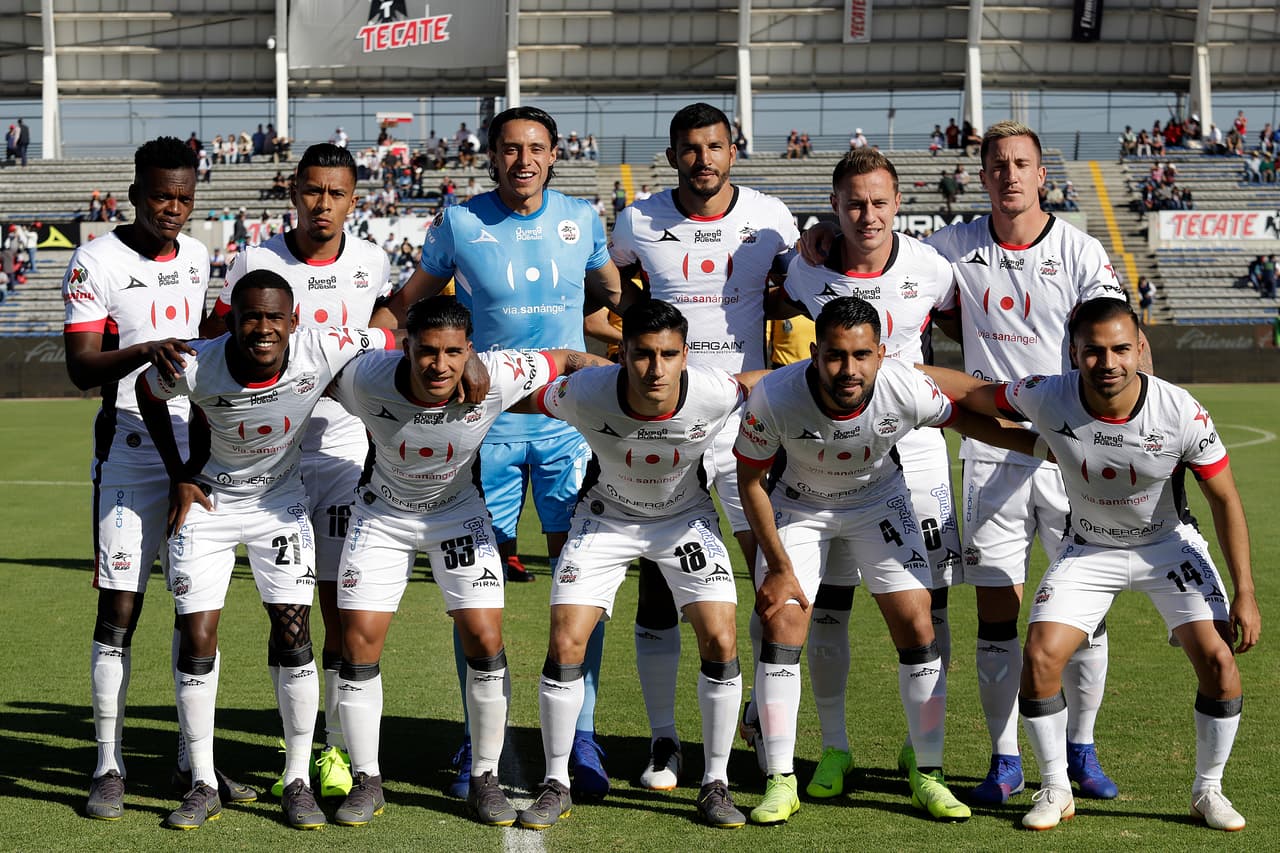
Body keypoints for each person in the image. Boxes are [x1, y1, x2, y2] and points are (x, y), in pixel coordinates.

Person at [927, 297, 1259, 832]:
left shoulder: (1180, 411)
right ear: (1073, 352)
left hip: (1167, 545)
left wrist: (1243, 590)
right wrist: (895, 367)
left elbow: (1225, 499)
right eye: (1094, 351)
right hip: (1089, 548)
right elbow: (971, 395)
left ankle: (1207, 791)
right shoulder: (1048, 394)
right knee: (1040, 656)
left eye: (1121, 349)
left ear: (1140, 349)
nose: (1109, 363)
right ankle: (1056, 789)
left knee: (1220, 663)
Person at [380, 105, 628, 801]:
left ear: (554, 155)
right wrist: (367, 340)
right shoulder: (459, 222)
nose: (525, 160)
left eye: (537, 148)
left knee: (581, 582)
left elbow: (609, 302)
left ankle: (580, 735)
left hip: (564, 426)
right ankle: (477, 736)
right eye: (512, 148)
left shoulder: (582, 218)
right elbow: (411, 304)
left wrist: (641, 344)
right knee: (473, 591)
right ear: (491, 156)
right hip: (482, 427)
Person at [734, 296, 1041, 826]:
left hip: (878, 501)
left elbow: (969, 419)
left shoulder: (905, 386)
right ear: (813, 353)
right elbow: (749, 481)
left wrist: (1045, 448)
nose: (847, 369)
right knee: (785, 622)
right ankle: (781, 779)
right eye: (833, 355)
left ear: (880, 354)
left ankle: (928, 773)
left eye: (860, 355)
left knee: (918, 621)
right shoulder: (777, 396)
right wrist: (779, 565)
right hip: (800, 507)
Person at [327, 295, 606, 827]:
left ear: (471, 350)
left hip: (457, 514)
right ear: (406, 347)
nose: (439, 365)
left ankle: (485, 776)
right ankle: (366, 779)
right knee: (359, 638)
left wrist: (624, 388)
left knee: (484, 636)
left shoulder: (497, 373)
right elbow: (309, 369)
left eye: (454, 353)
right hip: (382, 515)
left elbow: (572, 361)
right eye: (426, 351)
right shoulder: (366, 378)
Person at [135, 270, 396, 830]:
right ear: (230, 322)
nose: (262, 328)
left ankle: (297, 778)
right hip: (210, 507)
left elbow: (388, 340)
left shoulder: (323, 344)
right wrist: (180, 472)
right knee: (198, 633)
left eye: (274, 317)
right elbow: (146, 390)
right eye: (250, 316)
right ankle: (203, 781)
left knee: (293, 630)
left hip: (280, 504)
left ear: (294, 321)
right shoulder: (197, 362)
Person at [63, 137, 257, 821]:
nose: (173, 209)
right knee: (119, 610)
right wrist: (143, 350)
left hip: (195, 456)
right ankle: (107, 762)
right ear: (135, 192)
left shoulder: (200, 255)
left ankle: (191, 759)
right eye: (160, 197)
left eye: (184, 197)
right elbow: (82, 366)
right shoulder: (96, 260)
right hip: (128, 449)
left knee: (194, 607)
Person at [609, 102, 798, 788]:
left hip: (747, 426)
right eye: (690, 148)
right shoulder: (636, 222)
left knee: (768, 575)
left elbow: (795, 297)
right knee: (661, 587)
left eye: (715, 146)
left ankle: (756, 711)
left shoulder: (773, 219)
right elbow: (617, 297)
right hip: (666, 425)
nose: (703, 159)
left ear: (733, 151)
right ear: (672, 155)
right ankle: (665, 741)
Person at [517, 299, 761, 830]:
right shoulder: (586, 392)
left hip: (685, 520)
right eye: (643, 355)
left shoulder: (715, 391)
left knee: (720, 637)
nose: (656, 369)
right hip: (606, 519)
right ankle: (556, 781)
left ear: (685, 355)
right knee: (566, 640)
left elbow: (769, 381)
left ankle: (715, 784)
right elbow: (521, 398)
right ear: (621, 353)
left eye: (668, 355)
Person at [200, 143, 394, 802]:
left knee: (339, 606)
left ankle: (333, 748)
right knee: (275, 613)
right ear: (293, 192)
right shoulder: (256, 261)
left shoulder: (372, 261)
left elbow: (384, 331)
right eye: (312, 191)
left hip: (341, 456)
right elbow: (217, 349)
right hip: (261, 465)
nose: (323, 204)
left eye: (336, 193)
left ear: (354, 198)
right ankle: (216, 749)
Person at [772, 148, 962, 798]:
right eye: (854, 202)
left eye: (879, 202)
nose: (867, 214)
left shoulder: (932, 268)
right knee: (829, 609)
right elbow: (770, 304)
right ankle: (834, 748)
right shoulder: (808, 267)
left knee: (929, 609)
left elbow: (967, 328)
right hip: (831, 459)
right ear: (835, 203)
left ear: (898, 202)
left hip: (918, 453)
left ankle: (922, 749)